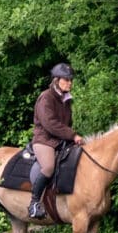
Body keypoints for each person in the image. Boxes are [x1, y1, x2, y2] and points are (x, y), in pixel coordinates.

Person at [28, 62, 82, 220]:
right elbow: (50, 124)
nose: (69, 83)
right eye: (66, 80)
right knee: (49, 167)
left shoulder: (66, 100)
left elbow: (65, 124)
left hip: (60, 140)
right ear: (56, 80)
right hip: (44, 140)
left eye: (71, 80)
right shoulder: (46, 97)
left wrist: (71, 138)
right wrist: (72, 135)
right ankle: (34, 203)